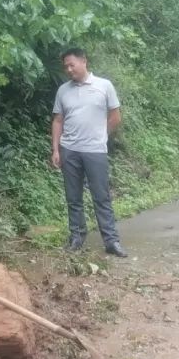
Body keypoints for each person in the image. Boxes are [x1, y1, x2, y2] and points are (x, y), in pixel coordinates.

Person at [50, 48, 127, 257]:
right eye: (65, 66)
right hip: (70, 151)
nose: (68, 69)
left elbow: (115, 116)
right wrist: (56, 149)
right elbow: (58, 120)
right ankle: (77, 237)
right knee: (73, 198)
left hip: (95, 151)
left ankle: (111, 241)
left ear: (84, 61)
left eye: (71, 64)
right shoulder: (63, 90)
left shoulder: (104, 86)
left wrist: (102, 136)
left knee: (101, 197)